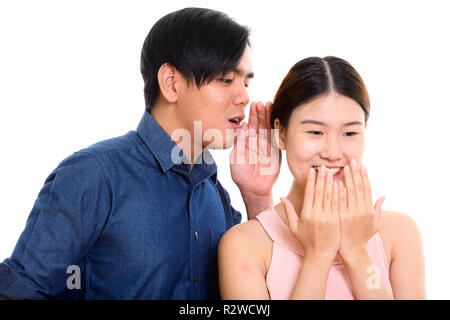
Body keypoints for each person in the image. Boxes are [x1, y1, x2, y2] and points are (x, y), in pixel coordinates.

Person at [0, 7, 279, 299]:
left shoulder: (216, 195)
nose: (244, 97)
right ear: (171, 83)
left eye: (246, 82)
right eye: (226, 79)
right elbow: (19, 292)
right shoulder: (94, 176)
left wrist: (257, 196)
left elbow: (258, 295)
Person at [218, 56, 426, 299]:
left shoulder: (399, 234)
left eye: (350, 132)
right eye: (316, 132)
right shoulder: (243, 246)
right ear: (281, 134)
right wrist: (318, 256)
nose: (333, 152)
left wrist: (357, 252)